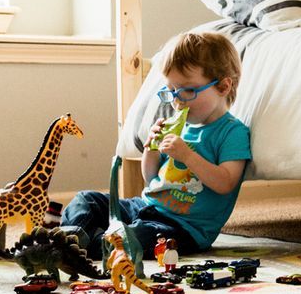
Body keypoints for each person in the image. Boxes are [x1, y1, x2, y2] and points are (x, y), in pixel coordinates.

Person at [64, 32, 252, 258]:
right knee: (87, 199)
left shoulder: (232, 132)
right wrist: (151, 149)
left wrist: (187, 156)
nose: (177, 100)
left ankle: (89, 246)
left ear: (223, 87)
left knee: (132, 238)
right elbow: (151, 178)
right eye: (171, 91)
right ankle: (73, 235)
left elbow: (226, 183)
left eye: (188, 90)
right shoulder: (178, 126)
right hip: (144, 206)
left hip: (182, 228)